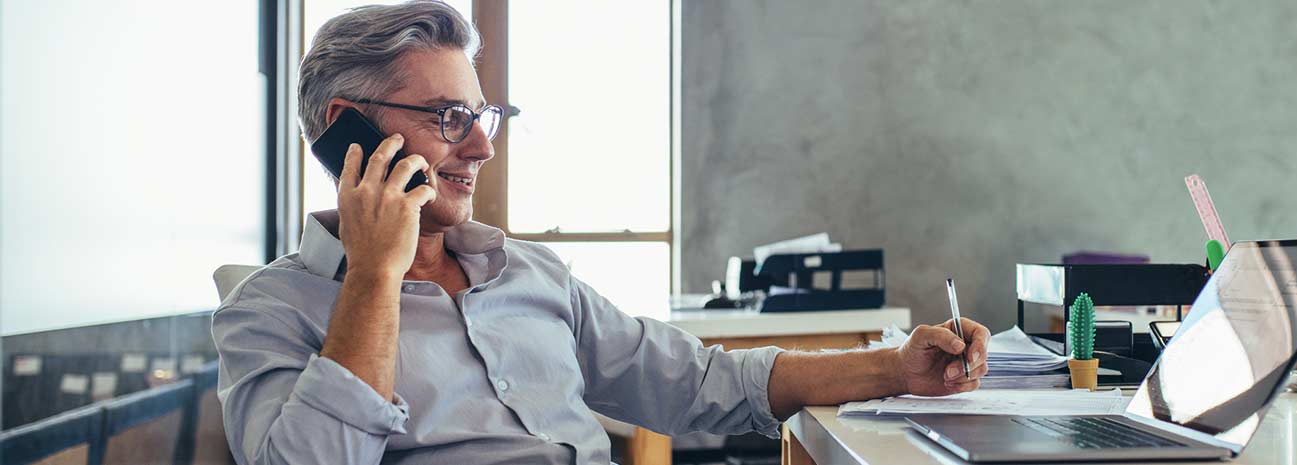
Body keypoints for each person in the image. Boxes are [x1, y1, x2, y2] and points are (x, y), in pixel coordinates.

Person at [211, 2, 991, 464]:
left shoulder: (529, 274)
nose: (481, 147)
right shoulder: (270, 308)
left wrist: (898, 366)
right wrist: (376, 275)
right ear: (344, 133)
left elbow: (704, 383)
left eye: (482, 118)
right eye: (450, 119)